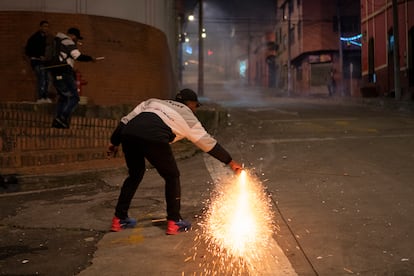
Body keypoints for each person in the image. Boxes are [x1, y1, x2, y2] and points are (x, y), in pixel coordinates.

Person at [107, 89, 243, 235]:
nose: (195, 110)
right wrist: (230, 162)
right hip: (155, 137)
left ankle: (119, 219)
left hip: (129, 134)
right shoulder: (188, 117)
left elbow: (125, 121)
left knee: (135, 175)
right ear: (191, 104)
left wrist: (114, 142)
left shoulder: (153, 102)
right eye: (196, 106)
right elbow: (208, 144)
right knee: (172, 176)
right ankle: (174, 222)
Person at [50, 27, 95, 129]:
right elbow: (77, 56)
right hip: (65, 72)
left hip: (55, 72)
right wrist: (90, 58)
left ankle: (57, 122)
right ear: (73, 35)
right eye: (77, 38)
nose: (77, 40)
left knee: (63, 97)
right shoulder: (68, 41)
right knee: (75, 98)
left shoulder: (57, 42)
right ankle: (62, 118)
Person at [25, 20, 52, 103]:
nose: (46, 28)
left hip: (44, 63)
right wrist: (39, 56)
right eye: (44, 26)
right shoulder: (34, 38)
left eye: (47, 26)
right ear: (40, 27)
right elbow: (28, 51)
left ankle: (45, 96)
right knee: (42, 78)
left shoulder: (46, 38)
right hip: (36, 62)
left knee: (48, 79)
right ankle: (41, 98)